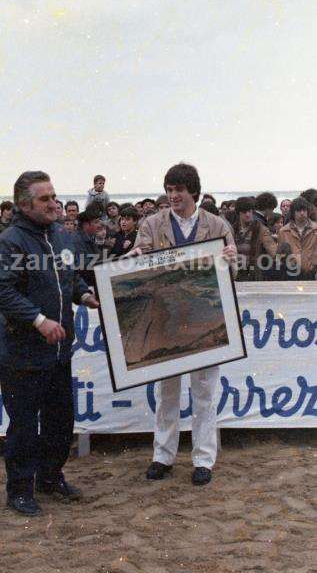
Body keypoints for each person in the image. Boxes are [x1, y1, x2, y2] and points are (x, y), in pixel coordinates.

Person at [0, 171, 98, 516]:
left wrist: (84, 293)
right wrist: (39, 320)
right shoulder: (10, 242)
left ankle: (51, 478)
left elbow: (70, 276)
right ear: (24, 205)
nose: (55, 204)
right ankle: (20, 490)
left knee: (60, 421)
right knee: (23, 425)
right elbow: (0, 292)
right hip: (21, 352)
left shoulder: (62, 237)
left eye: (54, 196)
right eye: (45, 199)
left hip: (59, 350)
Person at [134, 162, 237, 486]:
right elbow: (140, 264)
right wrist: (135, 255)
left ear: (194, 191)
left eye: (179, 189)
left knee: (204, 393)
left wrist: (233, 262)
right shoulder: (152, 224)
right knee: (167, 392)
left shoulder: (217, 225)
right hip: (165, 320)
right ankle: (163, 456)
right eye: (169, 190)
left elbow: (230, 275)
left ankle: (204, 459)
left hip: (205, 320)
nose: (173, 195)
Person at [233, 197, 277, 281]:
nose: (248, 214)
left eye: (249, 211)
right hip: (236, 273)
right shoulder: (233, 229)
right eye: (244, 212)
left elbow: (271, 247)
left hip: (253, 274)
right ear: (238, 213)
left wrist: (279, 257)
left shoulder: (260, 229)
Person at [277, 196, 317, 280]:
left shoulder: (315, 229)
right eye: (299, 210)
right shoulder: (283, 231)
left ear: (308, 211)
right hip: (291, 274)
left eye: (304, 210)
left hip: (313, 273)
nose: (302, 213)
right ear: (293, 212)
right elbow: (280, 255)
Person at [72, 204, 102, 289]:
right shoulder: (77, 241)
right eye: (96, 222)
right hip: (85, 288)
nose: (99, 225)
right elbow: (85, 268)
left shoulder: (88, 237)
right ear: (86, 224)